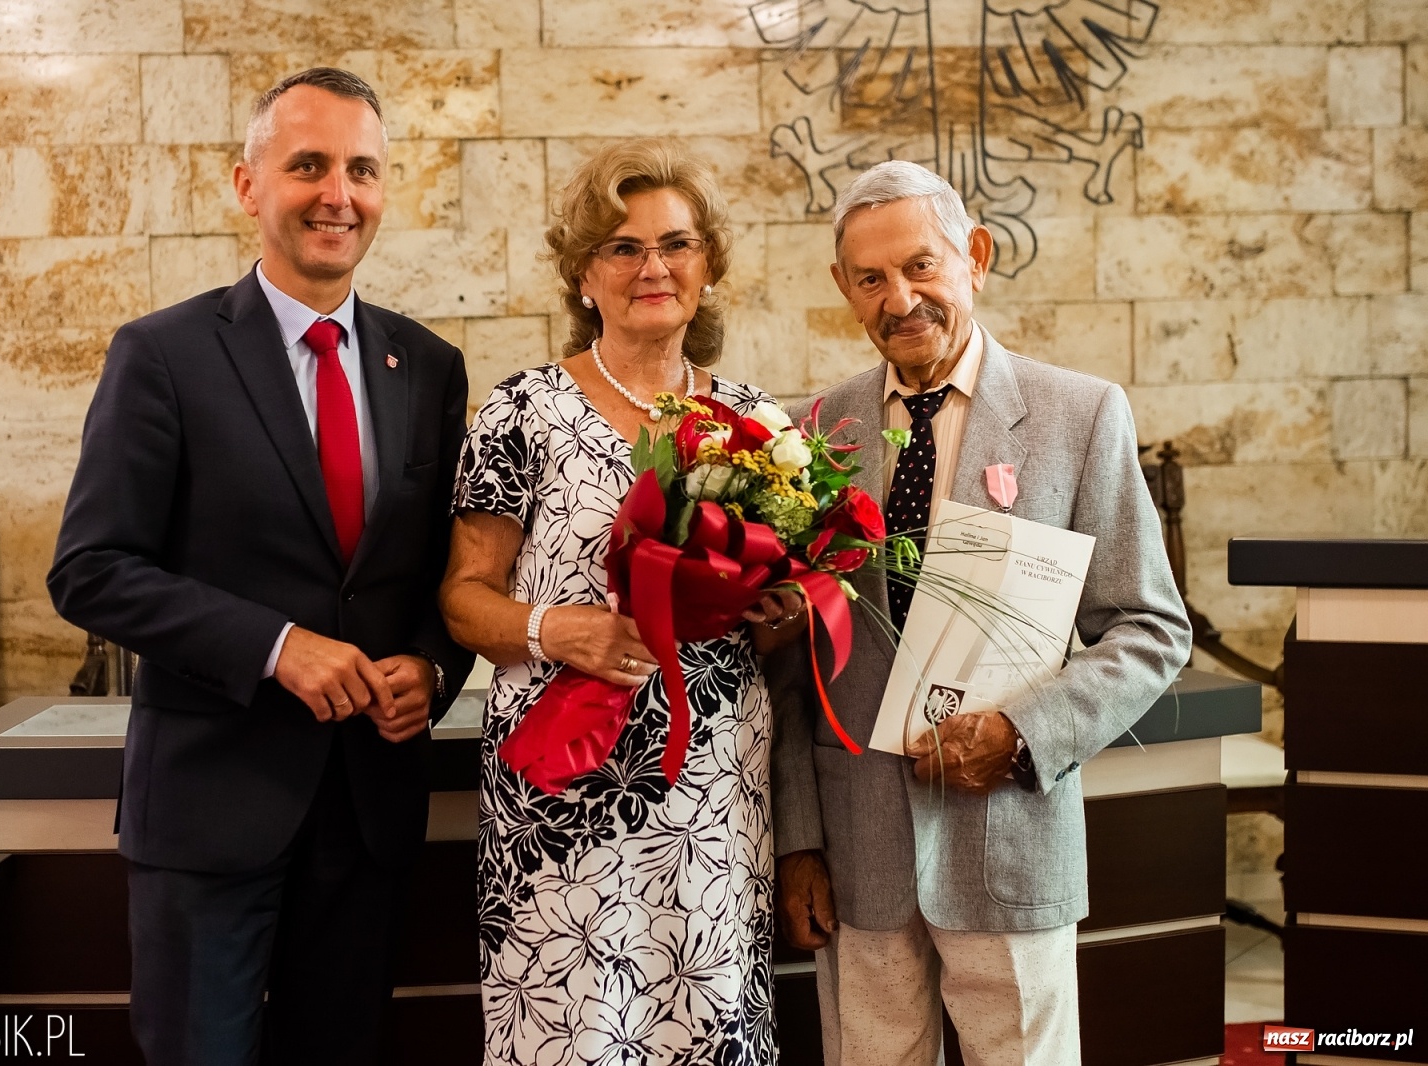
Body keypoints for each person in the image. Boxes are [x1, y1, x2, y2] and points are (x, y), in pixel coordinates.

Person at [47, 67, 472, 1065]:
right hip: (209, 811)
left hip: (367, 811)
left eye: (362, 169)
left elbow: (439, 574)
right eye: (309, 165)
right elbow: (92, 568)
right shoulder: (162, 355)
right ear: (248, 185)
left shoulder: (431, 367)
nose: (339, 193)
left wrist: (429, 665)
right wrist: (276, 646)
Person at [768, 160, 1191, 1066]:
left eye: (922, 266)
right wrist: (798, 839)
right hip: (860, 856)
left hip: (1012, 840)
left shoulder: (1080, 417)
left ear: (977, 256)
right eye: (872, 278)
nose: (900, 298)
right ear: (843, 287)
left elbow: (1153, 629)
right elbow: (793, 662)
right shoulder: (810, 434)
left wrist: (1025, 731)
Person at [439, 139, 802, 1065]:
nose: (654, 267)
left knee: (707, 1023)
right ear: (582, 274)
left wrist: (775, 611)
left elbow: (774, 616)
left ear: (708, 265)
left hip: (714, 792)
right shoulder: (523, 412)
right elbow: (461, 599)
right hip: (567, 791)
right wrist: (555, 627)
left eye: (677, 244)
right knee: (575, 1035)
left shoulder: (760, 426)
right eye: (623, 247)